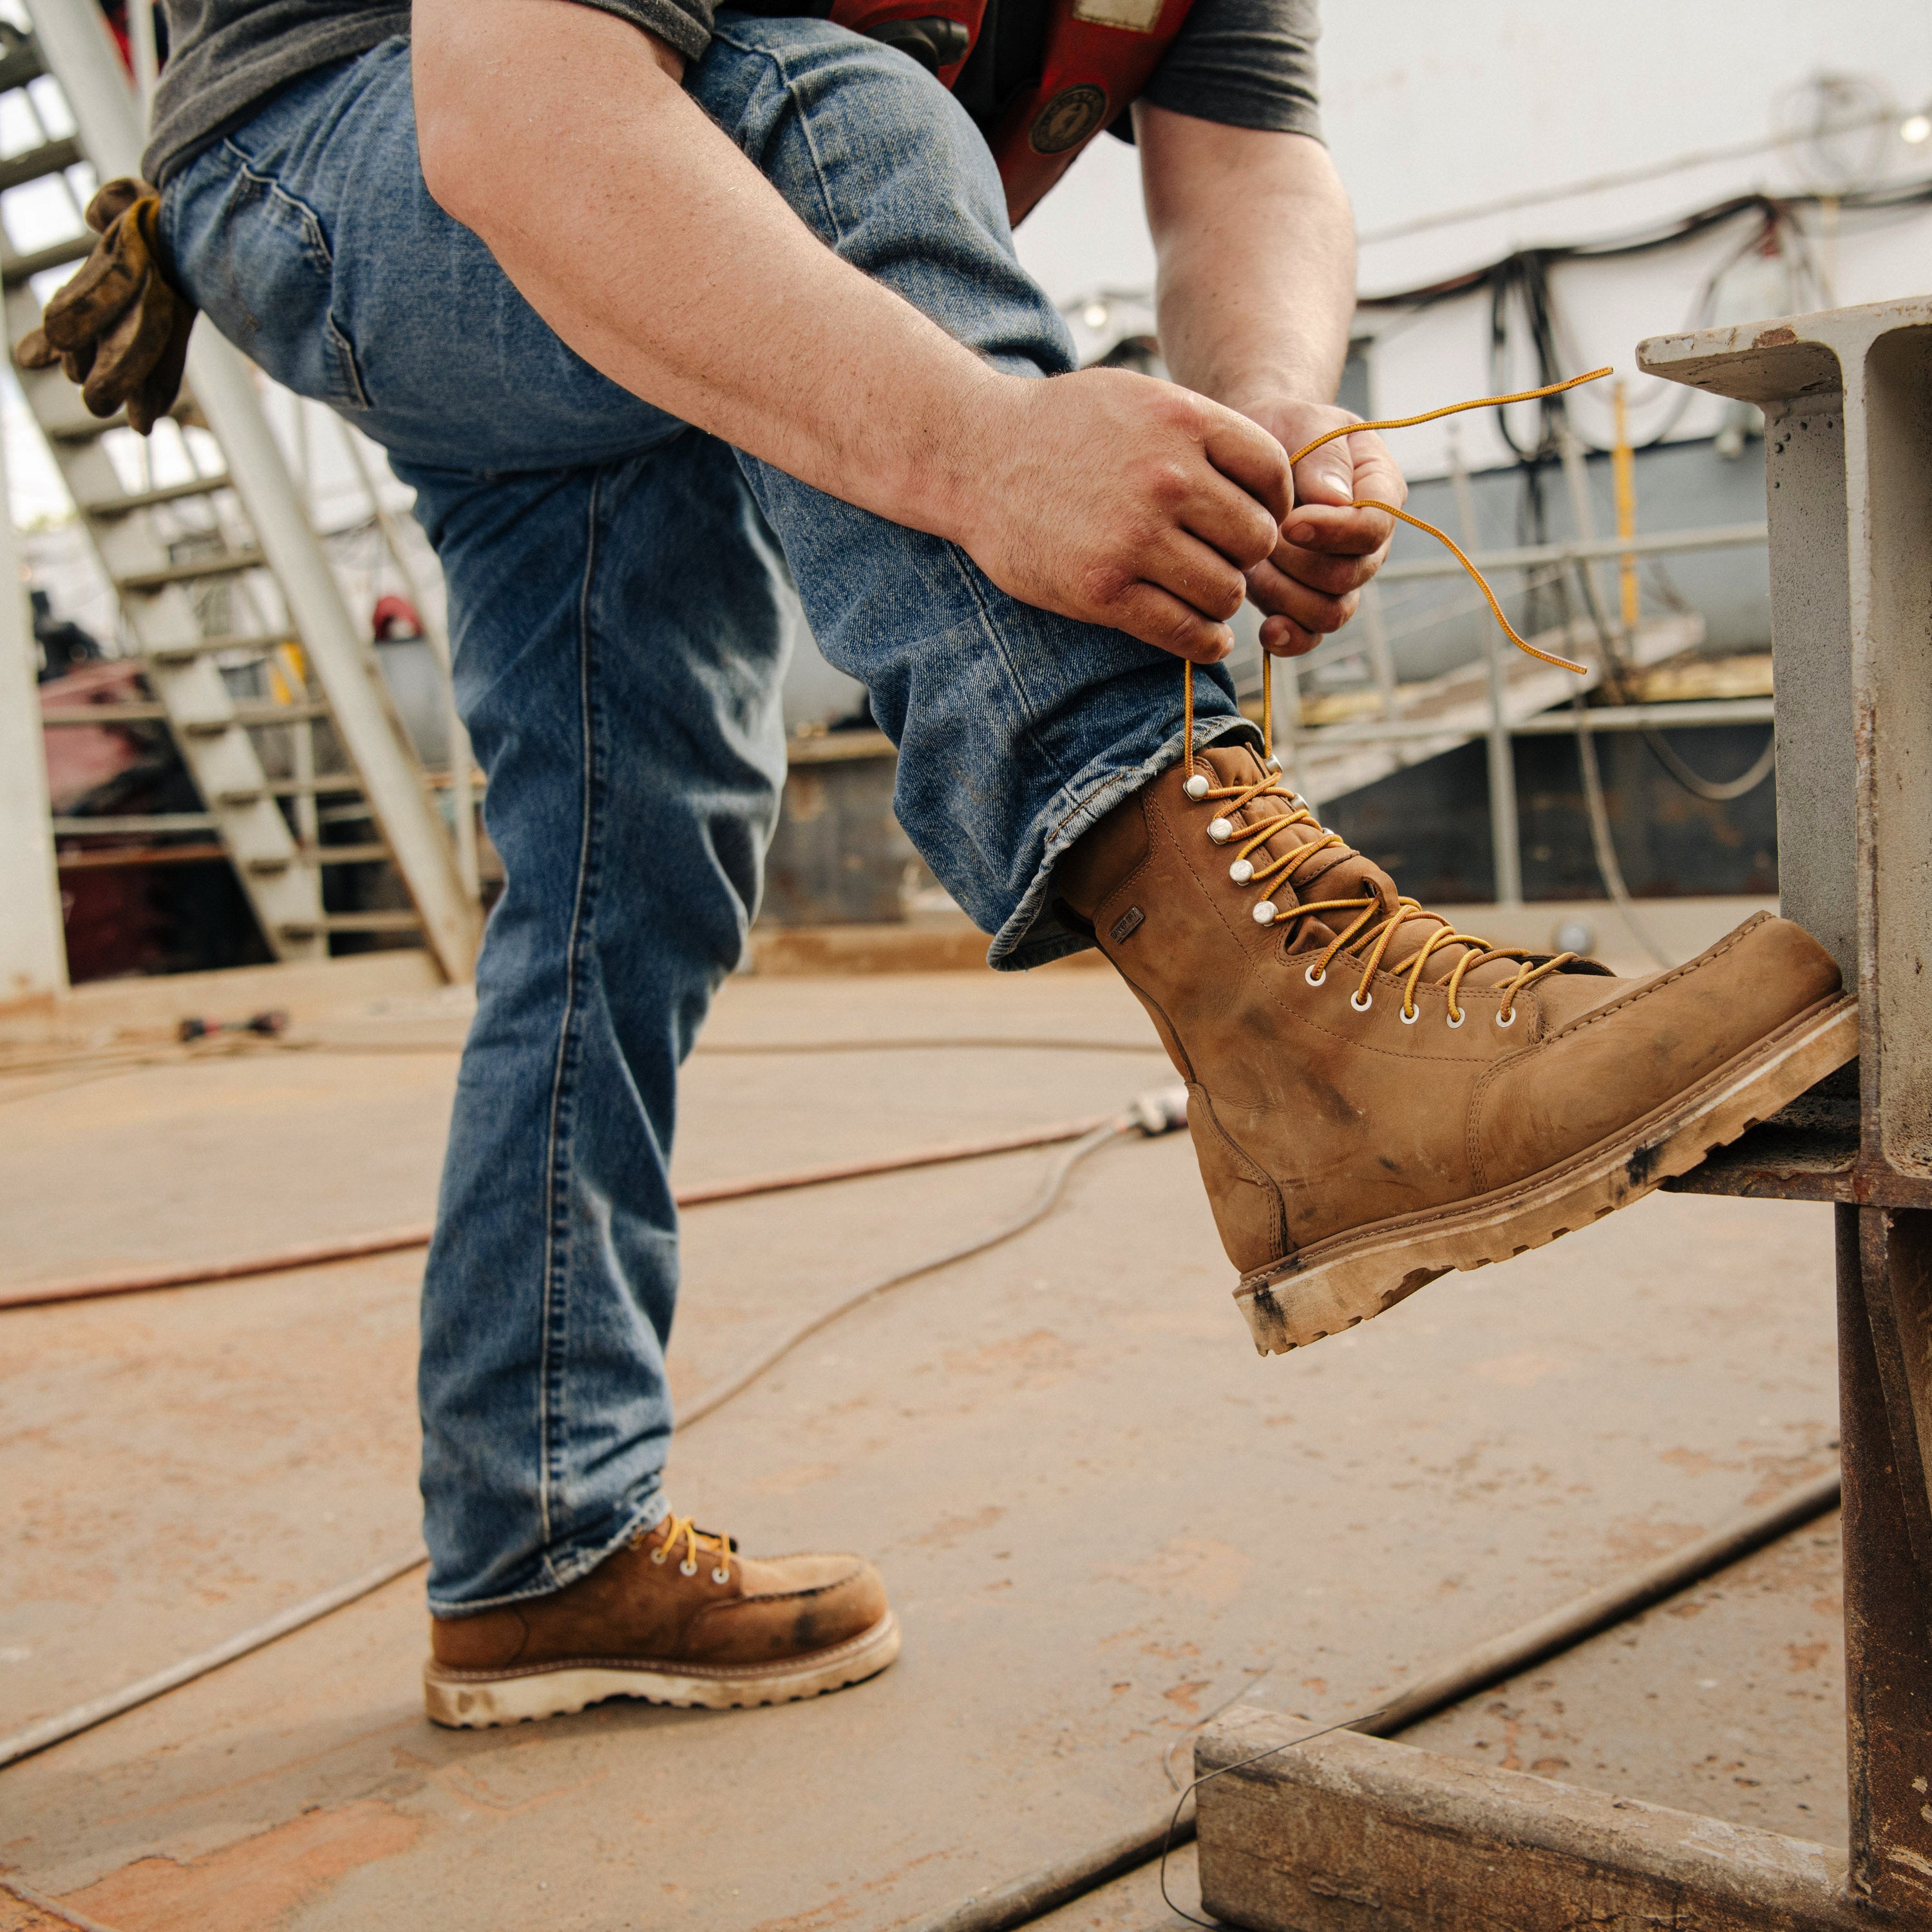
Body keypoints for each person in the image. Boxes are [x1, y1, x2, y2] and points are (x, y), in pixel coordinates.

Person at [68, 0, 1841, 1728]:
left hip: (623, 165)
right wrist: (985, 450)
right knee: (822, 98)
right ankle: (1290, 1044)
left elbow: (1253, 154)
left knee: (630, 855)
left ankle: (535, 1536)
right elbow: (515, 100)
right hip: (343, 145)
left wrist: (1274, 405)